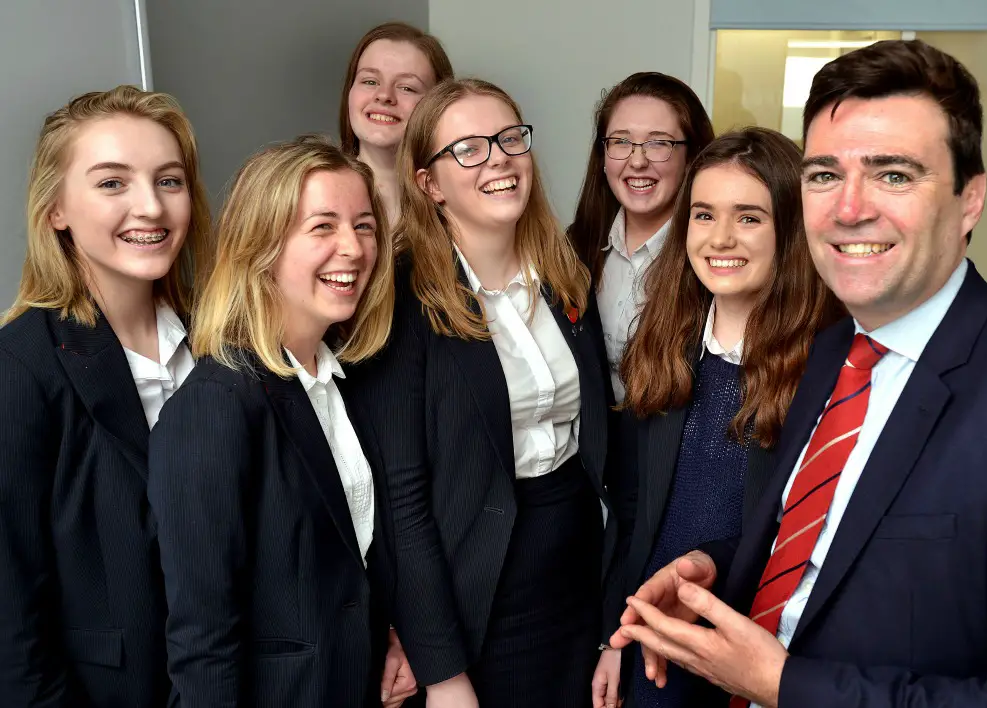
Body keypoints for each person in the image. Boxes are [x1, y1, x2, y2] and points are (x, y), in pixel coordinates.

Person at [612, 39, 987, 708]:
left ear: (970, 199)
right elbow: (826, 542)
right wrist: (715, 565)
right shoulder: (835, 353)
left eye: (893, 174)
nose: (848, 209)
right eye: (824, 175)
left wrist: (782, 684)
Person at [351, 78, 625, 707]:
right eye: (468, 150)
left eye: (509, 139)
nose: (499, 158)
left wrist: (616, 621)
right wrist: (442, 669)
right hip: (476, 588)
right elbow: (402, 499)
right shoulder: (402, 295)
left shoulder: (564, 274)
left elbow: (603, 448)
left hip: (577, 574)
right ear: (429, 184)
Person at [147, 135, 416, 707]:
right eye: (322, 227)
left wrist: (392, 635)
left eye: (365, 225)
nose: (353, 248)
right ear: (261, 245)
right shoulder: (217, 403)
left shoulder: (345, 383)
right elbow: (203, 637)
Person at [591, 128, 842, 708]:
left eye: (749, 217)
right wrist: (613, 636)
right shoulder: (662, 345)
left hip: (757, 644)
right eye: (704, 215)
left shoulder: (828, 366)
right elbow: (628, 510)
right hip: (653, 633)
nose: (721, 238)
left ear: (792, 229)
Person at [0, 85, 210, 705]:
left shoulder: (220, 346)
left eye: (169, 181)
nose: (151, 207)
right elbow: (9, 620)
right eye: (113, 183)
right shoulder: (20, 365)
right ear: (56, 208)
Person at [568, 72, 714, 403]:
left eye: (659, 143)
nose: (637, 161)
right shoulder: (576, 246)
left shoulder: (713, 259)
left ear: (691, 158)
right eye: (620, 142)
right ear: (603, 157)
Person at [340, 21, 454, 225]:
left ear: (438, 104)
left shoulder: (460, 203)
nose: (384, 96)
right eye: (370, 81)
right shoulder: (306, 193)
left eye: (407, 88)